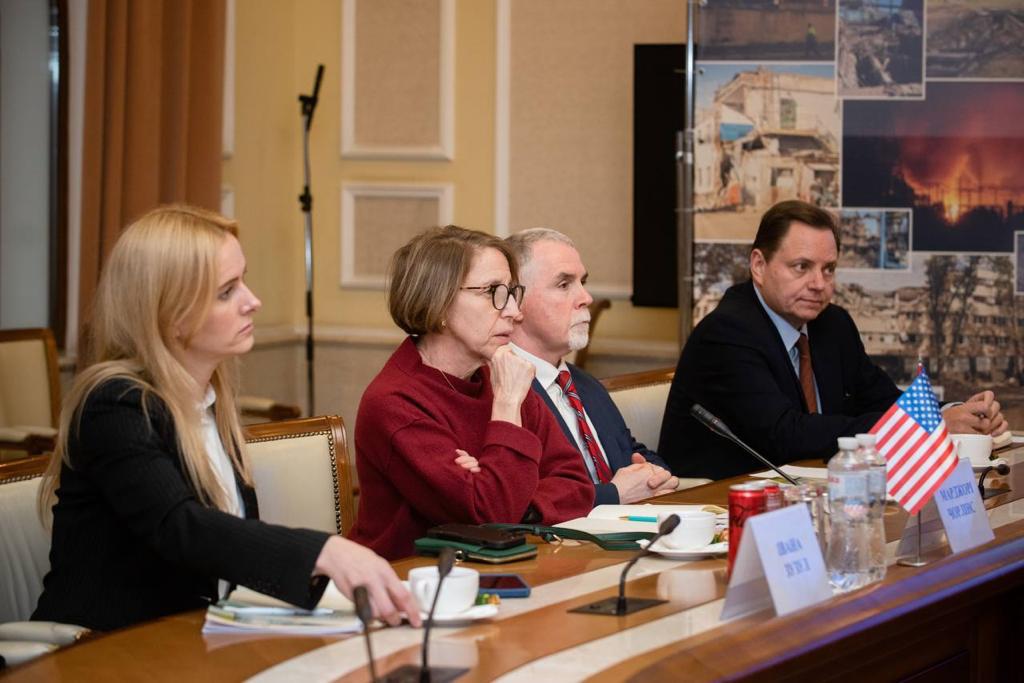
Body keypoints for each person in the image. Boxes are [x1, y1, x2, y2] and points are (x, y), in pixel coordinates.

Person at [32, 205, 418, 631]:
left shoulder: (209, 401)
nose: (253, 302)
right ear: (171, 314)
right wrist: (324, 552)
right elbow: (180, 527)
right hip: (103, 647)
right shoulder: (114, 405)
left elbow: (224, 554)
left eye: (243, 281)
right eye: (227, 291)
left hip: (196, 637)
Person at [659, 200, 1007, 480]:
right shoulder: (727, 333)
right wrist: (924, 424)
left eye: (828, 269)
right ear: (759, 265)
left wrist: (955, 414)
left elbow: (881, 399)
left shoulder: (832, 323)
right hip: (716, 503)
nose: (818, 284)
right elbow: (786, 434)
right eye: (801, 267)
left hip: (815, 488)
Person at [348, 225, 594, 560]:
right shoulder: (394, 402)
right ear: (439, 303)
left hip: (500, 566)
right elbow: (489, 512)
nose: (515, 312)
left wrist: (507, 493)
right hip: (408, 578)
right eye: (493, 291)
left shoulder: (497, 377)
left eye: (512, 292)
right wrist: (507, 409)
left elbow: (576, 482)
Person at [505, 228, 678, 505]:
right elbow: (522, 502)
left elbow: (632, 452)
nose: (586, 297)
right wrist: (614, 494)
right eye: (564, 285)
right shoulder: (500, 390)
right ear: (515, 301)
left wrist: (654, 475)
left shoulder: (584, 384)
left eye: (583, 282)